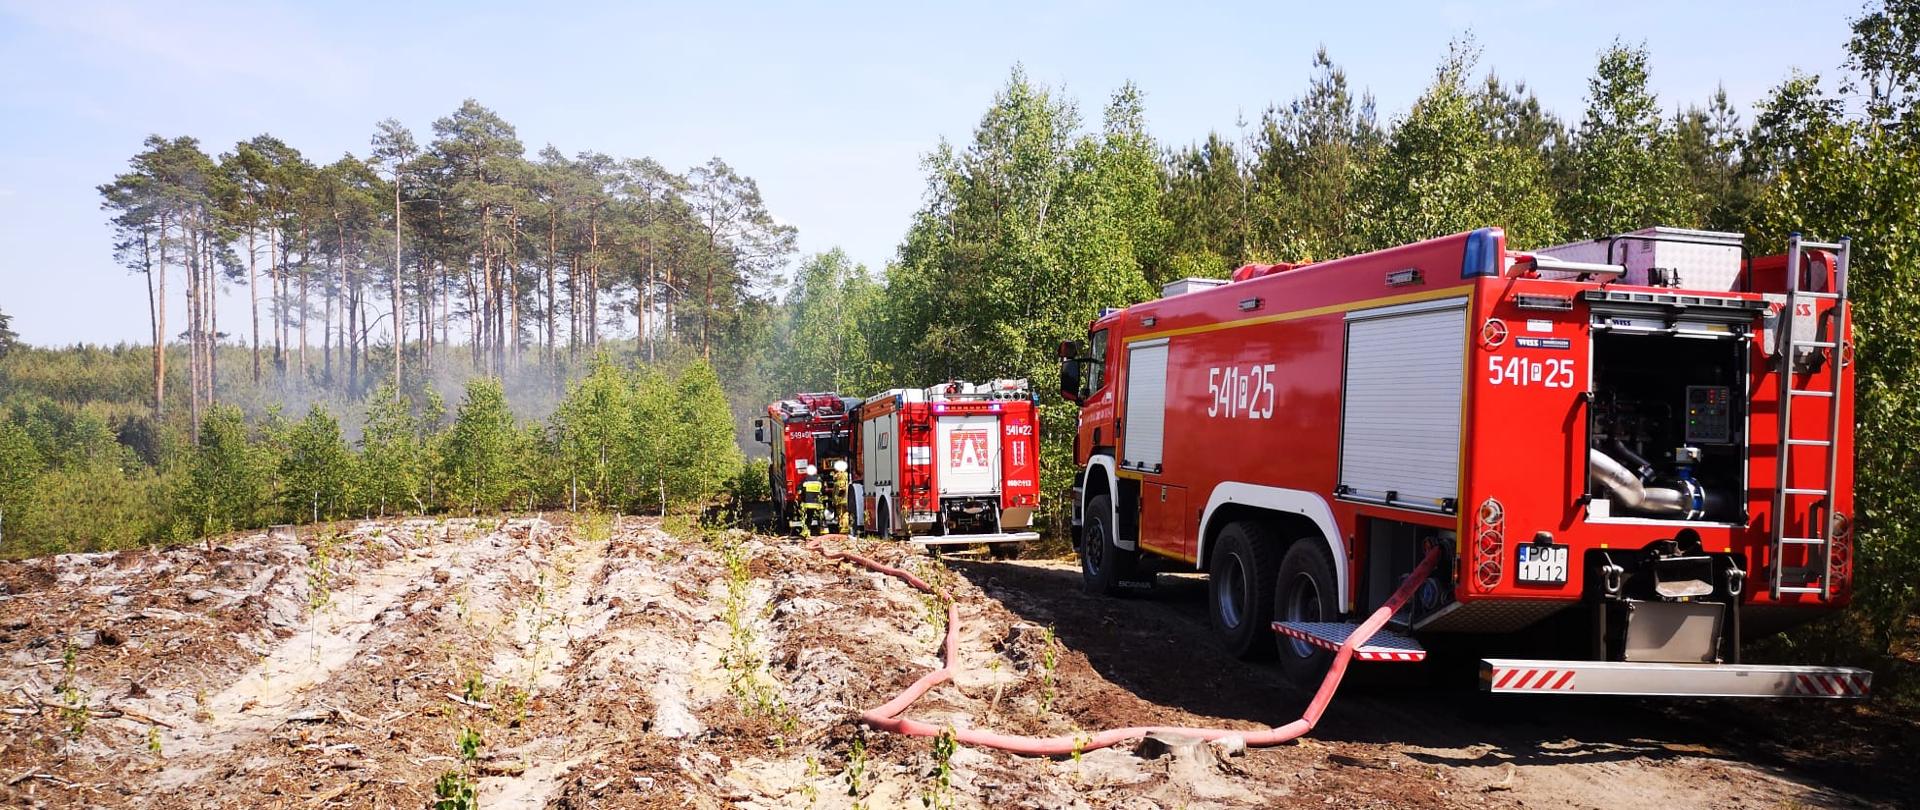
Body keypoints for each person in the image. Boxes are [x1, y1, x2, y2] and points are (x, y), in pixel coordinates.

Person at [799, 464, 825, 535]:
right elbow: (823, 490)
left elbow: (800, 490)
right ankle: (823, 531)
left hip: (808, 504)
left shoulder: (805, 479)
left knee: (809, 518)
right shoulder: (819, 480)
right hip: (818, 503)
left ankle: (807, 532)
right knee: (821, 517)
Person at [830, 459, 852, 533]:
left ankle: (843, 528)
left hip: (840, 500)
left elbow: (837, 492)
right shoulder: (846, 477)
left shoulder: (838, 480)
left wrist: (834, 500)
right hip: (846, 499)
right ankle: (845, 528)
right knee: (845, 514)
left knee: (841, 515)